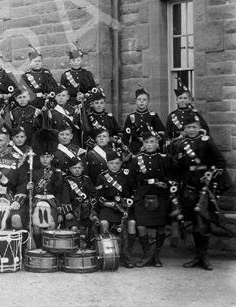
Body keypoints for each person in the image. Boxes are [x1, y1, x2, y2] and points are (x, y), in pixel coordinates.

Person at [175, 115, 228, 270]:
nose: (191, 130)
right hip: (189, 186)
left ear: (199, 128)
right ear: (184, 129)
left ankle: (204, 258)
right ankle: (197, 257)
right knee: (194, 221)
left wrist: (210, 174)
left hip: (204, 187)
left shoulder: (206, 141)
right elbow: (179, 167)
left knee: (203, 222)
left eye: (194, 127)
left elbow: (220, 162)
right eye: (188, 127)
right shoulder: (181, 144)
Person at [129, 131, 171, 268]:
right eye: (146, 142)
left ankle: (157, 256)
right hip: (142, 194)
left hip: (160, 194)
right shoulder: (137, 159)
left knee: (160, 226)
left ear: (157, 144)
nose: (149, 145)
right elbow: (131, 180)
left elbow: (170, 177)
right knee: (141, 225)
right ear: (143, 144)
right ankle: (147, 255)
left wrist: (166, 184)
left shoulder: (163, 158)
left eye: (152, 142)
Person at [95, 150, 136, 268]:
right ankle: (107, 254)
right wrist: (107, 204)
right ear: (107, 164)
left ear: (121, 163)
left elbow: (133, 191)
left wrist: (128, 202)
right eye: (111, 163)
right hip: (108, 206)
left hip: (124, 206)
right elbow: (98, 196)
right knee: (103, 223)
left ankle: (127, 255)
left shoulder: (127, 175)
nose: (114, 166)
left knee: (132, 223)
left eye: (117, 163)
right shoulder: (102, 176)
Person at [28, 129, 65, 249]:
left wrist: (59, 211)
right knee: (36, 227)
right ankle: (39, 248)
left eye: (47, 157)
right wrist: (29, 188)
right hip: (37, 201)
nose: (45, 159)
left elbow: (58, 193)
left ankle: (49, 249)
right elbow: (30, 191)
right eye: (43, 156)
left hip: (52, 201)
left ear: (52, 157)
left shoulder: (56, 172)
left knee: (52, 225)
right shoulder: (33, 172)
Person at [122, 86, 165, 155]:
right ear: (135, 101)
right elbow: (125, 136)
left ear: (148, 101)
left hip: (150, 148)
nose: (141, 102)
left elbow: (161, 133)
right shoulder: (131, 117)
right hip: (135, 149)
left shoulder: (153, 116)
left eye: (144, 100)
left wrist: (154, 141)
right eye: (139, 99)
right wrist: (126, 150)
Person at [62, 158, 96, 237]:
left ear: (82, 168)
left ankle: (88, 246)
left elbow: (93, 193)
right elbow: (65, 196)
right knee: (74, 229)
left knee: (90, 230)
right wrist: (67, 212)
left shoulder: (86, 179)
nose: (77, 170)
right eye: (74, 168)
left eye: (79, 168)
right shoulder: (67, 181)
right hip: (73, 209)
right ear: (70, 169)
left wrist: (93, 209)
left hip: (86, 209)